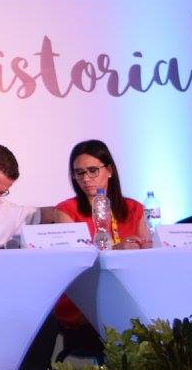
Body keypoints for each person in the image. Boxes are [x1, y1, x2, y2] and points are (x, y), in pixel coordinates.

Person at [51, 139, 150, 359]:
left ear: (109, 170)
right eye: (79, 173)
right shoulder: (67, 210)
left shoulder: (134, 208)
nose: (86, 179)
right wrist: (117, 250)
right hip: (86, 301)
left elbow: (147, 254)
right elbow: (75, 264)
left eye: (92, 171)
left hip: (129, 291)